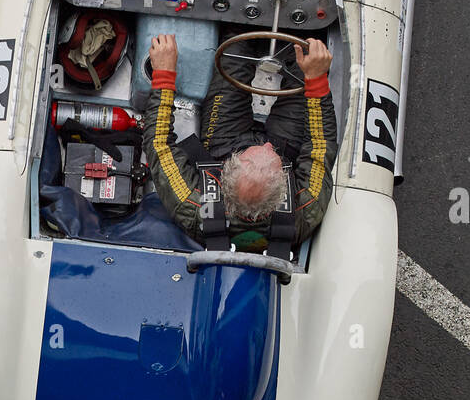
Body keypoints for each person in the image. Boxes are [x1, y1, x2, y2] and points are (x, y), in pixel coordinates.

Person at [142, 31, 337, 251]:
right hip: (287, 149)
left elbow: (158, 144)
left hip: (225, 145)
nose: (266, 144)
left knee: (233, 44)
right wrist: (317, 80)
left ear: (225, 174)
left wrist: (164, 74)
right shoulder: (306, 210)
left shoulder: (192, 207)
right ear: (282, 187)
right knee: (310, 52)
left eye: (263, 149)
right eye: (269, 152)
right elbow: (320, 145)